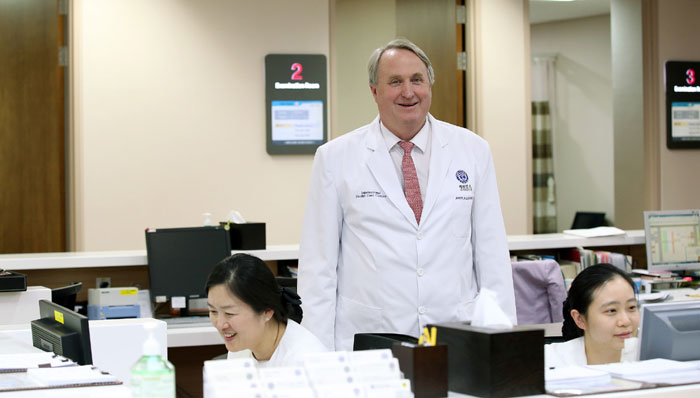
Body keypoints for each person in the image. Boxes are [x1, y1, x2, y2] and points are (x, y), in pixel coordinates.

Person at [298, 38, 517, 351]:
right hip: (370, 339)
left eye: (417, 80)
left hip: (455, 334)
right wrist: (316, 356)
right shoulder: (335, 158)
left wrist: (504, 345)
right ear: (375, 91)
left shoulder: (473, 150)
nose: (408, 92)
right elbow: (317, 268)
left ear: (430, 85)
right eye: (395, 82)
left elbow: (492, 256)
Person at [206, 253, 328, 367]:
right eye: (213, 311)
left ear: (267, 311)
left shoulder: (307, 361)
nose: (220, 324)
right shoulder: (241, 345)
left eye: (229, 313)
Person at [545, 263, 640, 368]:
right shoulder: (548, 362)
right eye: (611, 310)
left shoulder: (653, 355)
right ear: (580, 319)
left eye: (631, 307)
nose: (626, 321)